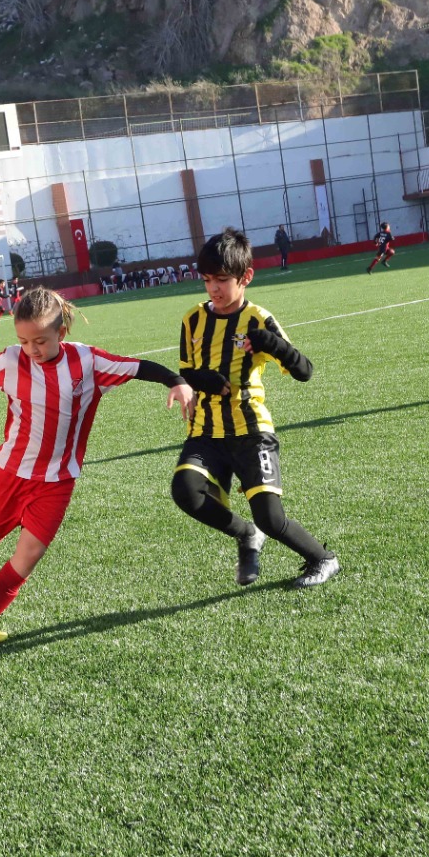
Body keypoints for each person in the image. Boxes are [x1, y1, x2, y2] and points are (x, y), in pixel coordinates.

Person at [0, 287, 194, 643]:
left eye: (40, 340)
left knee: (29, 554)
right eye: (24, 341)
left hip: (58, 481)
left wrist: (176, 382)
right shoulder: (10, 361)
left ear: (62, 333)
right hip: (11, 471)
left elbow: (138, 367)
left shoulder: (88, 362)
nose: (32, 349)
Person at [172, 228, 339, 589]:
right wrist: (203, 382)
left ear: (245, 277)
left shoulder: (259, 320)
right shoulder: (192, 320)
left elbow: (304, 371)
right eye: (206, 280)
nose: (213, 288)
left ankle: (322, 559)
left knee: (270, 517)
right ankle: (245, 534)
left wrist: (273, 345)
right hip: (205, 430)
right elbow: (187, 368)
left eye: (221, 279)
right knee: (185, 491)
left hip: (251, 431)